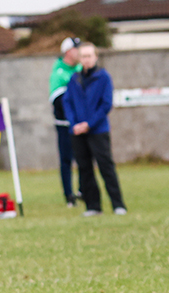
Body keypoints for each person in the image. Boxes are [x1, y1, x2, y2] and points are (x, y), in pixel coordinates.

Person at [64, 42, 126, 217]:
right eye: (83, 56)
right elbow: (67, 102)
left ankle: (118, 204)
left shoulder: (103, 77)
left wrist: (89, 124)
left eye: (89, 56)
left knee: (106, 167)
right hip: (77, 132)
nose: (86, 60)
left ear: (96, 57)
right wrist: (74, 123)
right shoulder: (74, 79)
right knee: (84, 168)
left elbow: (106, 105)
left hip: (98, 130)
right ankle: (93, 206)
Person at [50, 37, 81, 207]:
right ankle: (69, 196)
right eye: (77, 49)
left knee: (84, 158)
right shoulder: (59, 72)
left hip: (81, 124)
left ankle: (83, 191)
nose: (80, 52)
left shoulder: (80, 69)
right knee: (66, 160)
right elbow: (58, 100)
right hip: (64, 125)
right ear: (68, 51)